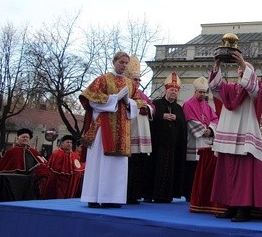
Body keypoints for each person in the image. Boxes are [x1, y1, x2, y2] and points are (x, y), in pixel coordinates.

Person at [209, 51, 262, 222]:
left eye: (245, 71)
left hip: (245, 134)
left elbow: (255, 89)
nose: (241, 73)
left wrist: (244, 63)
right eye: (240, 71)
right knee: (227, 171)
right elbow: (214, 88)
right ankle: (231, 206)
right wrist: (217, 66)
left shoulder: (256, 88)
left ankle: (243, 210)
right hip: (228, 133)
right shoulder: (229, 89)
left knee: (244, 175)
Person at [79, 51, 143, 208]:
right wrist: (114, 99)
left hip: (123, 130)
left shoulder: (130, 83)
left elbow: (139, 102)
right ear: (114, 62)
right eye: (121, 62)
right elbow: (91, 100)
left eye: (126, 63)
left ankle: (113, 198)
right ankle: (93, 196)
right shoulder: (102, 79)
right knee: (99, 161)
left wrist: (129, 102)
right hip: (104, 127)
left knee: (118, 164)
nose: (124, 65)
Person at [144, 72, 187, 203]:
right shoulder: (156, 104)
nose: (173, 92)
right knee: (154, 169)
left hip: (172, 146)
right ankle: (150, 194)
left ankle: (166, 196)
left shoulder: (179, 108)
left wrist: (177, 118)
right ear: (165, 90)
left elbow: (183, 125)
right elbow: (149, 119)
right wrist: (161, 116)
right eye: (171, 90)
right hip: (157, 144)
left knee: (169, 170)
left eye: (175, 90)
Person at [182, 76, 218, 202]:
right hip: (194, 140)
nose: (202, 94)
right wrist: (204, 130)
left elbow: (215, 119)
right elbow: (189, 120)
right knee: (192, 169)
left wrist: (211, 130)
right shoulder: (188, 104)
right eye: (200, 92)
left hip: (206, 142)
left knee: (203, 168)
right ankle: (189, 194)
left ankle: (202, 193)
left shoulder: (207, 106)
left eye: (204, 92)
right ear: (195, 91)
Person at [124, 55, 153, 204]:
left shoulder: (142, 94)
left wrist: (145, 107)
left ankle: (136, 193)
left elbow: (151, 107)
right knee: (130, 164)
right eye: (135, 80)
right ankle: (127, 194)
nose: (138, 82)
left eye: (139, 80)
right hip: (131, 132)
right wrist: (138, 106)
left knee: (141, 164)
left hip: (143, 133)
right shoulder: (125, 92)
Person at [0, 128, 49, 198]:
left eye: (27, 137)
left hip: (30, 181)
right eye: (23, 137)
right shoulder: (12, 151)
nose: (25, 139)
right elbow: (4, 167)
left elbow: (42, 164)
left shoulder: (33, 151)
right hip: (15, 181)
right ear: (18, 138)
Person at [41, 135, 85, 199]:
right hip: (58, 181)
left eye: (71, 142)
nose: (69, 144)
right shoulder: (57, 153)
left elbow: (78, 168)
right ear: (62, 143)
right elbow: (55, 169)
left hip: (70, 182)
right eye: (67, 142)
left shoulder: (74, 155)